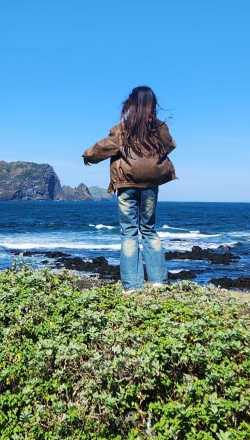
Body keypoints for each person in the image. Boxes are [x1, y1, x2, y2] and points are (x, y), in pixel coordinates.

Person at [82, 86, 177, 292]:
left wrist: (87, 156)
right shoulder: (160, 129)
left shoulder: (122, 129)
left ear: (131, 104)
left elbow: (101, 148)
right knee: (149, 230)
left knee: (129, 233)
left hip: (126, 186)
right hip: (150, 185)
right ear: (153, 104)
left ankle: (133, 286)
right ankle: (158, 282)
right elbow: (170, 146)